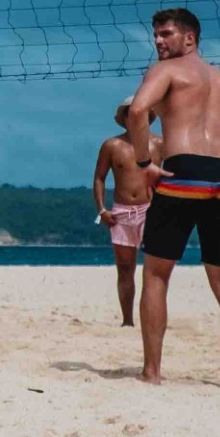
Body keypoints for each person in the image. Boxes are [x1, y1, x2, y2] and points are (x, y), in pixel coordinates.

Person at [121, 7, 220, 385]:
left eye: (166, 34)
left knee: (156, 276)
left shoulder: (166, 71)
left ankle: (151, 373)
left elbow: (138, 111)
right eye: (155, 35)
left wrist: (144, 163)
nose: (158, 41)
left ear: (190, 39)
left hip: (182, 172)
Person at [89, 100, 155, 327]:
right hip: (122, 212)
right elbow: (99, 177)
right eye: (132, 114)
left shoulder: (159, 144)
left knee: (153, 270)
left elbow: (169, 178)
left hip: (151, 210)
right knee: (125, 269)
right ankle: (127, 320)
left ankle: (151, 318)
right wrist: (102, 209)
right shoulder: (112, 146)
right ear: (125, 117)